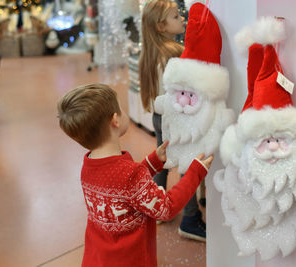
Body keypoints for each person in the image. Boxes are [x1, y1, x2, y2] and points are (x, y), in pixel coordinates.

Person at [57, 83, 213, 267]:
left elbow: (122, 189)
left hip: (98, 259)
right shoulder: (130, 175)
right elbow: (166, 207)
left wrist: (153, 162)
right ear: (115, 120)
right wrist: (195, 171)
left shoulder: (88, 166)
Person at [139, 0, 206, 241]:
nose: (182, 19)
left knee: (163, 160)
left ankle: (157, 208)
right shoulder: (174, 53)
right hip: (176, 117)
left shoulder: (150, 51)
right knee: (187, 164)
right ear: (161, 26)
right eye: (176, 17)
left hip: (159, 117)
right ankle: (190, 218)